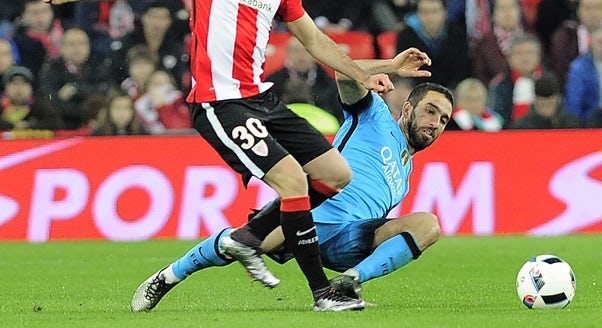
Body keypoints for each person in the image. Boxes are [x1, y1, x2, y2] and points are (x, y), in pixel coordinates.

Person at [35, 0, 394, 312]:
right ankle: (323, 294)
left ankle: (248, 237)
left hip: (263, 99)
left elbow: (315, 41)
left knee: (336, 175)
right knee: (294, 180)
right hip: (221, 104)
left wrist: (362, 71)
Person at [129, 51, 452, 312]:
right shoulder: (375, 115)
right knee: (244, 244)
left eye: (442, 119)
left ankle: (349, 282)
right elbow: (343, 74)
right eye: (430, 111)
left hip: (349, 240)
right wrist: (391, 66)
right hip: (311, 215)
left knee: (428, 225)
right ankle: (167, 277)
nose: (435, 123)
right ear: (407, 108)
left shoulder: (405, 176)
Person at [510, 72, 582, 129]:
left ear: (558, 100)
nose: (546, 110)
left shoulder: (572, 124)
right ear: (535, 101)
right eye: (541, 105)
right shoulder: (522, 127)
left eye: (549, 104)